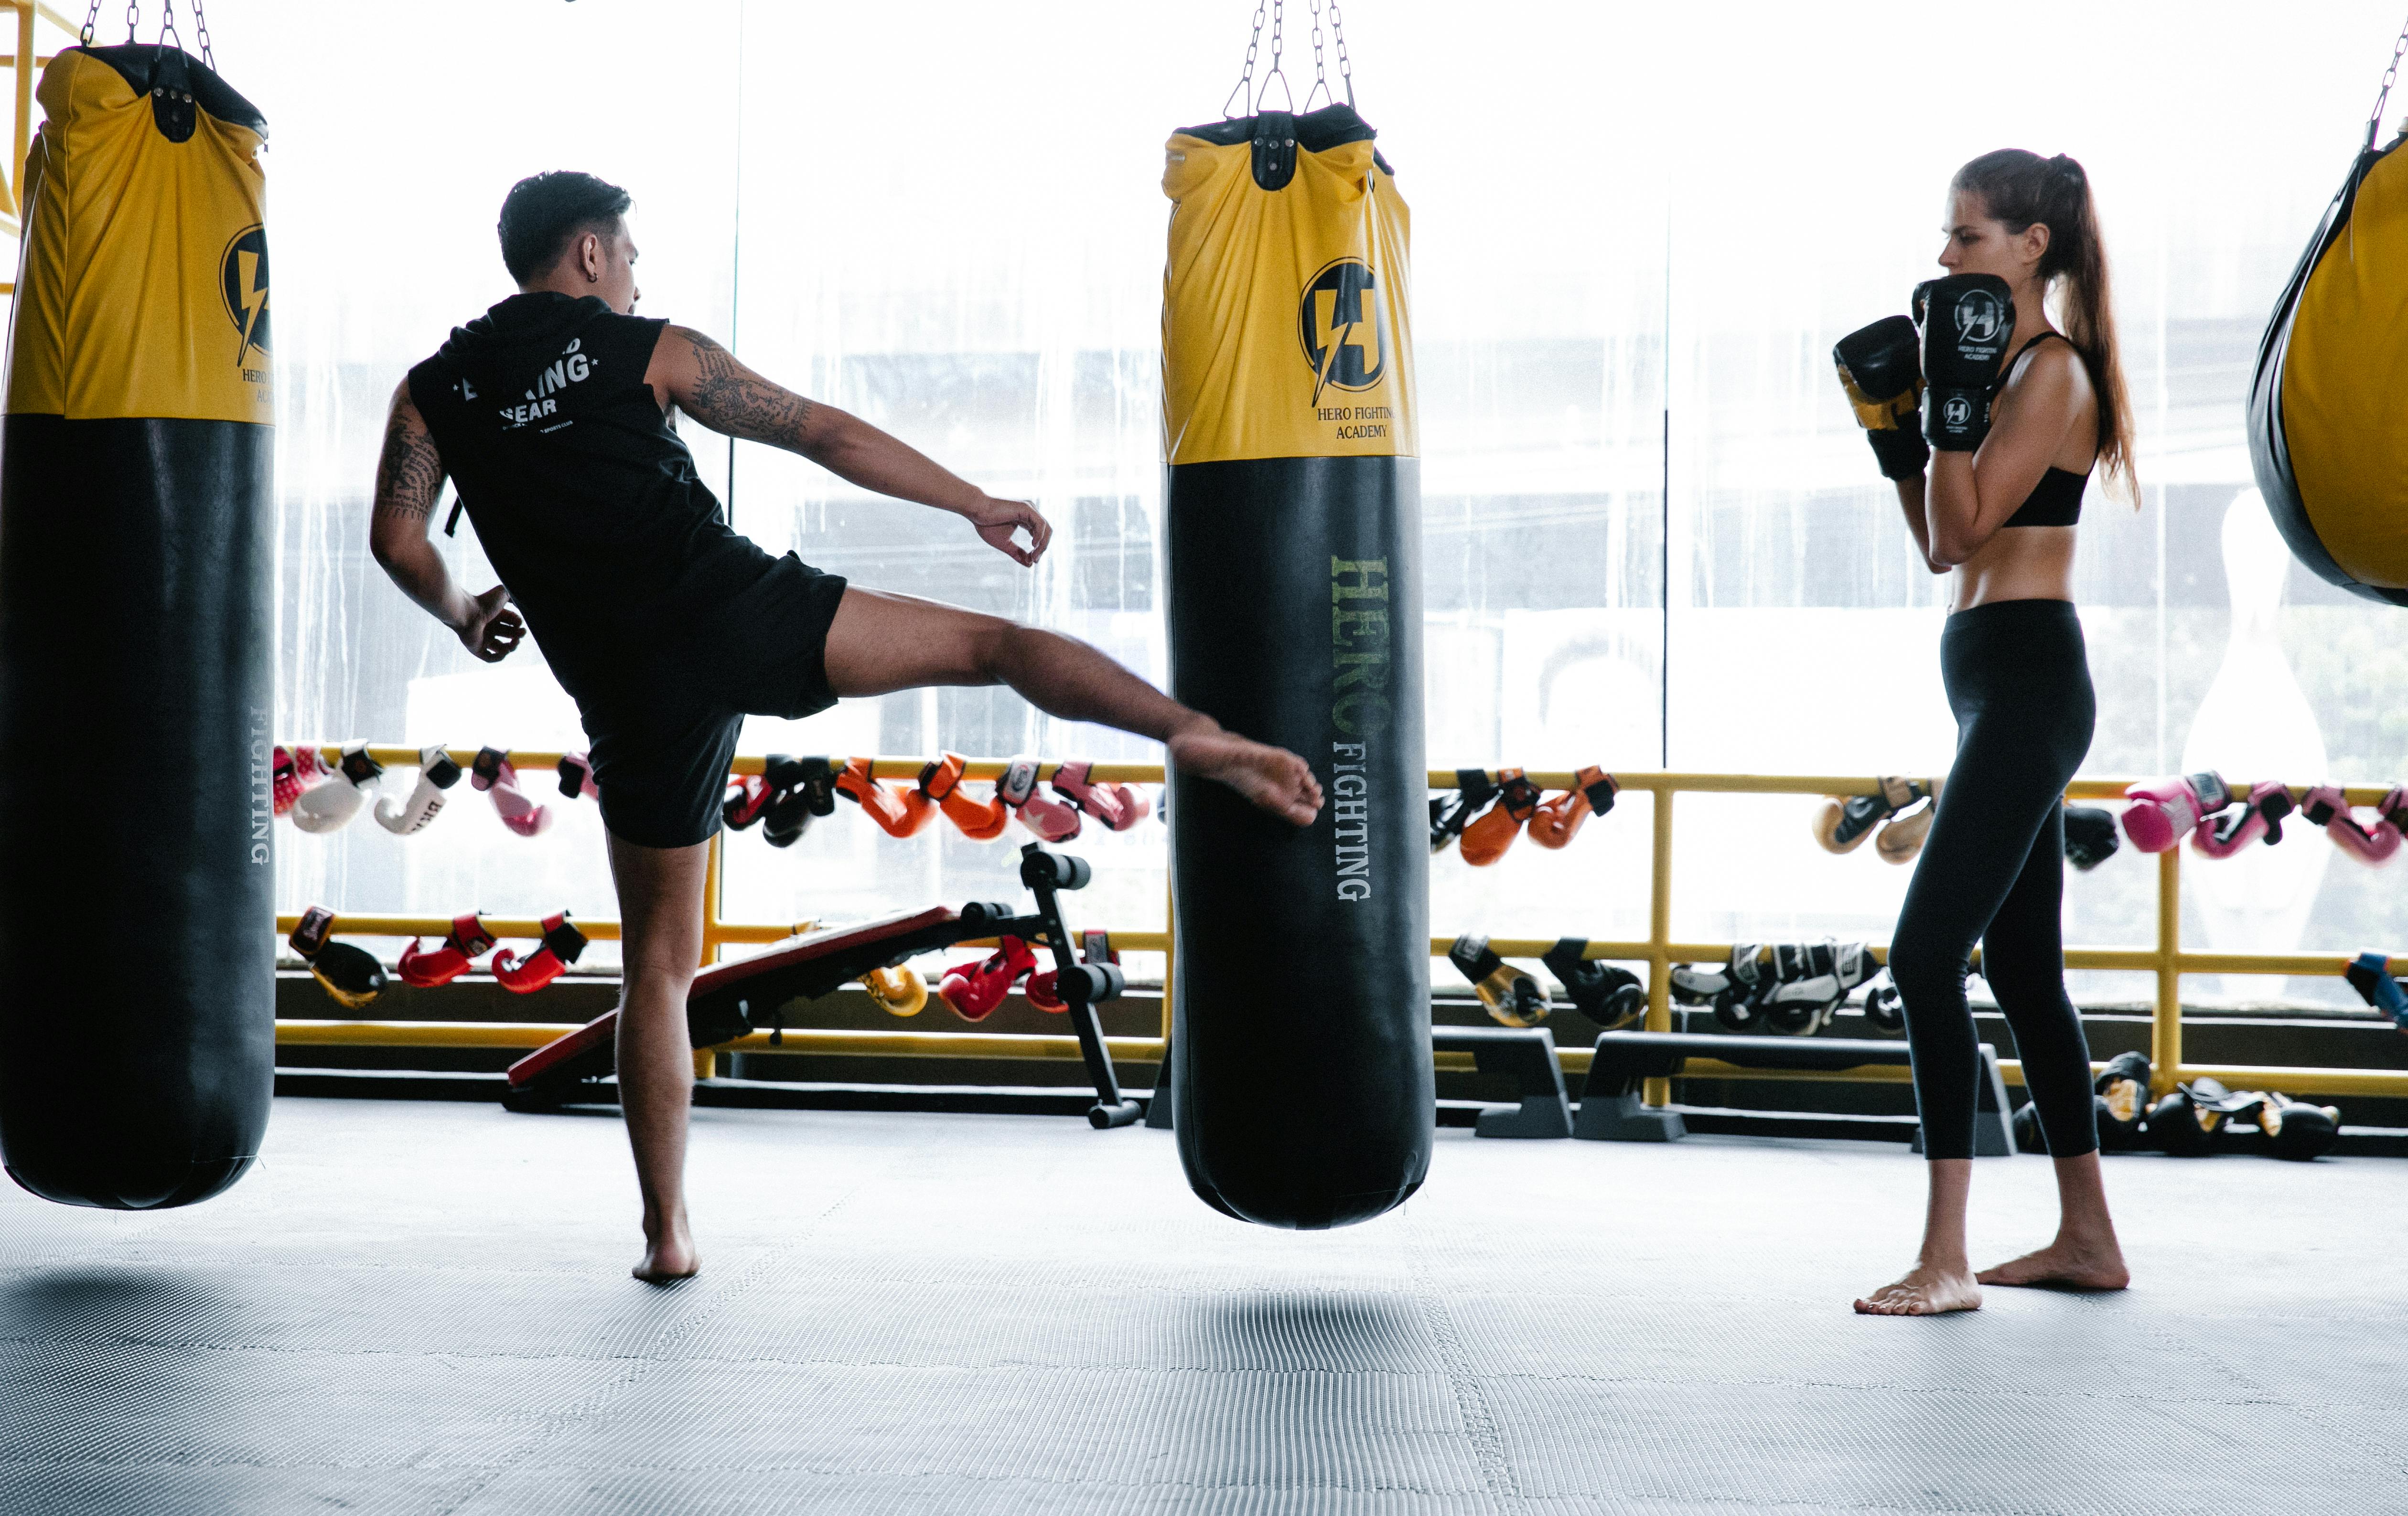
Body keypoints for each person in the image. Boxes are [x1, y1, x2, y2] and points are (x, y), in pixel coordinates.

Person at [369, 170, 1324, 1282]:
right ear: (587, 254)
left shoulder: (434, 391)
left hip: (629, 689)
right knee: (996, 649)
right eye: (628, 256)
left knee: (660, 972)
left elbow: (399, 542)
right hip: (737, 614)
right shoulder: (643, 349)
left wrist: (468, 609)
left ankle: (666, 1235)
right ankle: (1190, 731)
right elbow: (816, 432)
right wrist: (973, 501)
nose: (634, 277)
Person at [1848, 149, 2139, 1316]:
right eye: (1948, 235)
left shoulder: (2055, 375)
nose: (1946, 255)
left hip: (2027, 683)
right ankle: (2087, 1239)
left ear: (2030, 245)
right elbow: (1933, 536)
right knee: (2020, 969)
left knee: (1925, 958)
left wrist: (1950, 411)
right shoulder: (2002, 363)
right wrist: (1897, 431)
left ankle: (1946, 1257)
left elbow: (1964, 532)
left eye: (1966, 237)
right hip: (1989, 683)